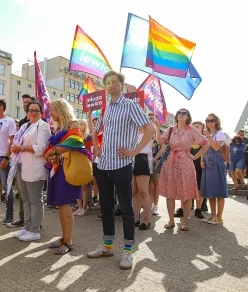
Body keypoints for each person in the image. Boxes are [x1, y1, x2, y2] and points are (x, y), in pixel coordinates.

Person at [86, 71, 155, 270]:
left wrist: (134, 151)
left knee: (126, 209)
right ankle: (107, 246)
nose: (111, 85)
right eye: (108, 83)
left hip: (122, 165)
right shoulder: (105, 108)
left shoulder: (131, 105)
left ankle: (127, 251)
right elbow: (96, 131)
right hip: (103, 163)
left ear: (122, 85)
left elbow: (150, 130)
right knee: (106, 207)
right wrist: (96, 141)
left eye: (115, 82)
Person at [44, 98, 87, 255]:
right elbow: (54, 147)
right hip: (58, 168)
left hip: (68, 168)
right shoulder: (59, 126)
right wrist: (49, 155)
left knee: (65, 204)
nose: (50, 114)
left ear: (59, 109)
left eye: (52, 111)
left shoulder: (72, 124)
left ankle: (68, 241)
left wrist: (53, 152)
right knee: (60, 205)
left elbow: (76, 142)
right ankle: (64, 237)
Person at [158, 109, 209, 231]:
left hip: (186, 163)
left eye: (184, 113)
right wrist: (156, 127)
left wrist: (195, 156)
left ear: (187, 117)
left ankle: (185, 222)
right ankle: (171, 221)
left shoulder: (192, 130)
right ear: (176, 116)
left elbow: (206, 143)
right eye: (179, 113)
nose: (181, 114)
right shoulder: (170, 129)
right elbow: (160, 142)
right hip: (170, 162)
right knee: (169, 194)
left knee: (186, 194)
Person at [10, 102, 51, 241]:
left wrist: (21, 148)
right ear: (27, 113)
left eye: (36, 110)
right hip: (21, 164)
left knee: (35, 199)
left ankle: (35, 230)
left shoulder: (43, 125)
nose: (33, 113)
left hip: (35, 166)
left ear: (41, 113)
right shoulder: (24, 126)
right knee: (26, 199)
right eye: (30, 110)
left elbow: (41, 148)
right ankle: (27, 227)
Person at [7, 94, 34, 228]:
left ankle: (35, 222)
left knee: (33, 195)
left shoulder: (41, 122)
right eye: (24, 102)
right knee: (22, 193)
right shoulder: (23, 122)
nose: (25, 104)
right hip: (20, 161)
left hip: (33, 162)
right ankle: (23, 218)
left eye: (28, 102)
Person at [201, 114, 229, 225]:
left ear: (216, 121)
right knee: (210, 190)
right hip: (208, 162)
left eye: (211, 120)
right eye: (207, 120)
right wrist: (202, 160)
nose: (209, 122)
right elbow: (204, 149)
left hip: (216, 162)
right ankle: (213, 215)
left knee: (219, 190)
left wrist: (208, 136)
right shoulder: (208, 134)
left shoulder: (219, 133)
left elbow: (216, 147)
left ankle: (219, 217)